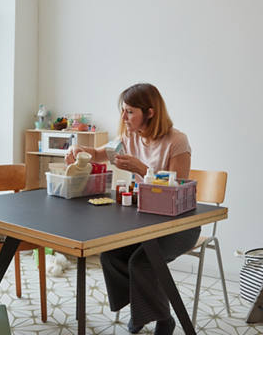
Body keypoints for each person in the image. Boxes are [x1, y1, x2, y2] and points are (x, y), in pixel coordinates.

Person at [67, 83, 200, 334]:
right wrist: (79, 150)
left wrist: (142, 169)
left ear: (150, 112)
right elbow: (99, 153)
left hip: (180, 224)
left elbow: (178, 186)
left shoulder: (177, 141)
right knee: (110, 253)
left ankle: (164, 318)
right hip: (145, 220)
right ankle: (142, 310)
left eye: (129, 112)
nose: (123, 117)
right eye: (123, 111)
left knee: (142, 262)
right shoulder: (129, 138)